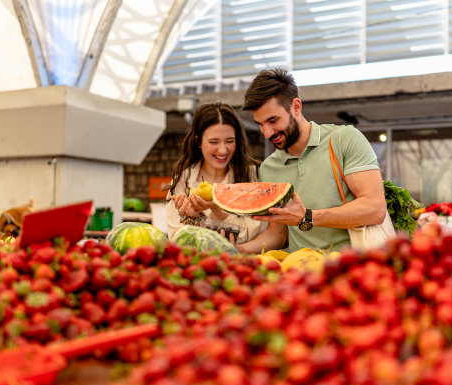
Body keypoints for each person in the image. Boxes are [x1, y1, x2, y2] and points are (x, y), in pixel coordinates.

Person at [237, 68, 387, 253]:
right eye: (260, 124)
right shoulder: (269, 167)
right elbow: (278, 233)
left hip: (352, 270)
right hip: (302, 275)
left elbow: (375, 208)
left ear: (296, 107)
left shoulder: (343, 139)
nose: (267, 133)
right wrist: (238, 250)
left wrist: (308, 217)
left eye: (273, 121)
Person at [166, 102, 264, 244]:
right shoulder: (182, 179)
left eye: (230, 141)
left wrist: (216, 208)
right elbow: (177, 241)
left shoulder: (251, 175)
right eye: (213, 142)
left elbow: (249, 234)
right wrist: (192, 219)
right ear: (198, 141)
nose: (223, 150)